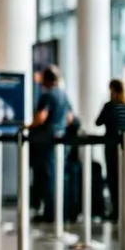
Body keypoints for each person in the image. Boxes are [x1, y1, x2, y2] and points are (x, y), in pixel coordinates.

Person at [29, 65, 74, 222]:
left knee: (48, 177)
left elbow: (41, 116)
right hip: (62, 139)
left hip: (48, 141)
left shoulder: (47, 96)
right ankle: (63, 211)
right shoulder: (64, 95)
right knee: (60, 175)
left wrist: (28, 126)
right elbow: (70, 119)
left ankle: (50, 213)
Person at [95, 79, 125, 221]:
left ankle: (117, 211)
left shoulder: (110, 106)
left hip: (112, 147)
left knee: (113, 180)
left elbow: (98, 122)